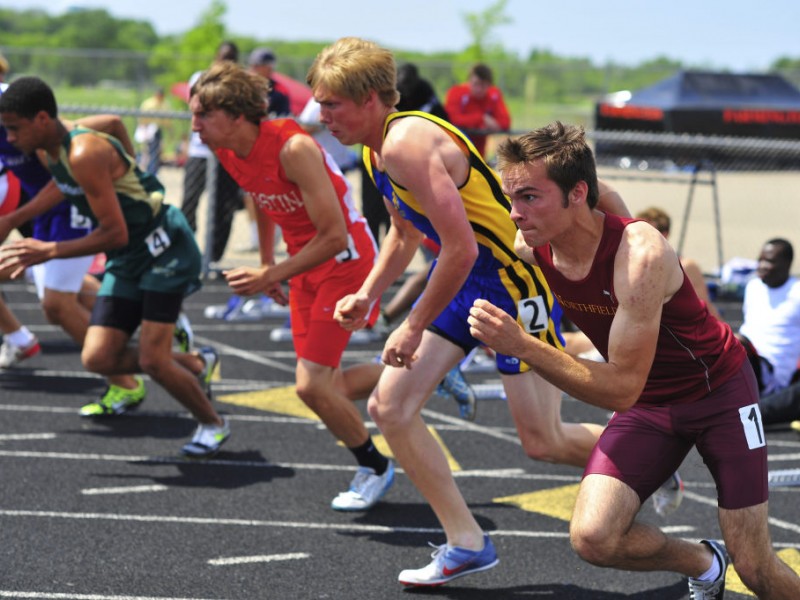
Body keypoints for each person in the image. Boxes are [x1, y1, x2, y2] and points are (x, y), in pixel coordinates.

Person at [308, 37, 642, 587]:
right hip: (468, 280)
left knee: (543, 441)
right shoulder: (374, 150)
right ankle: (468, 543)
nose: (322, 117)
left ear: (370, 99)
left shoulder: (406, 145)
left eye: (331, 105)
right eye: (320, 105)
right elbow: (406, 233)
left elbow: (461, 249)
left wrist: (412, 326)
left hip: (513, 282)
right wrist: (370, 293)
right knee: (390, 407)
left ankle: (645, 454)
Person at [467, 121, 800, 599]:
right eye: (511, 197)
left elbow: (620, 388)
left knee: (755, 567)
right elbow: (605, 195)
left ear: (576, 193)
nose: (515, 214)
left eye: (530, 197)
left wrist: (522, 346)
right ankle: (704, 563)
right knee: (594, 538)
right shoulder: (534, 245)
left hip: (720, 394)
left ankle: (732, 562)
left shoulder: (640, 257)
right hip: (651, 403)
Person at [189, 62, 394, 509]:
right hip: (305, 264)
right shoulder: (228, 150)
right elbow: (261, 202)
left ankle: (374, 466)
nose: (194, 126)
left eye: (202, 115)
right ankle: (427, 371)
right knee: (324, 383)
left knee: (312, 387)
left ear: (236, 115)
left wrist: (271, 274)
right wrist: (268, 263)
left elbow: (335, 235)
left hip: (345, 262)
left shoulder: (293, 148)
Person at [0, 76, 228, 458]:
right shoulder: (50, 151)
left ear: (41, 119)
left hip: (163, 247)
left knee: (153, 359)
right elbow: (65, 184)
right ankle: (197, 361)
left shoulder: (82, 152)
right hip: (130, 254)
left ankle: (213, 424)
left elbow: (114, 234)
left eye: (13, 128)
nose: (8, 139)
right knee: (97, 358)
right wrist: (16, 219)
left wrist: (48, 250)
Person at [180, 41, 243, 264]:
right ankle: (186, 252)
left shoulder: (238, 84)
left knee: (224, 207)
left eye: (231, 58)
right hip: (201, 152)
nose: (226, 63)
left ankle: (212, 258)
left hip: (227, 154)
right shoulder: (200, 77)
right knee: (189, 201)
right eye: (223, 57)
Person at [737, 238, 800, 425]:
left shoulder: (797, 292)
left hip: (771, 376)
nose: (761, 266)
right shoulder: (753, 286)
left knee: (736, 344)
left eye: (769, 261)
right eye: (760, 259)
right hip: (746, 358)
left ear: (787, 264)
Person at [636, 206, 721, 319]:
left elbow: (705, 306)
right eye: (637, 233)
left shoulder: (687, 266)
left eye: (647, 233)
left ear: (664, 234)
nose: (640, 238)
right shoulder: (629, 266)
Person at [445, 63, 510, 158]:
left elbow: (505, 122)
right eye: (476, 84)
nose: (479, 89)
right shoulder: (456, 92)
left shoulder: (493, 95)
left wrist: (488, 123)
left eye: (483, 85)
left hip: (479, 154)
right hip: (455, 149)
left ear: (489, 85)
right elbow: (451, 119)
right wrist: (481, 119)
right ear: (469, 81)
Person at [135, 87, 168, 176]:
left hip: (158, 130)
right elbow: (142, 118)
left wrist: (170, 129)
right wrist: (144, 129)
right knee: (148, 151)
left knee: (157, 151)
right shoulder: (149, 103)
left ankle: (153, 171)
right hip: (148, 129)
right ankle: (150, 171)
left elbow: (167, 120)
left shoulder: (164, 104)